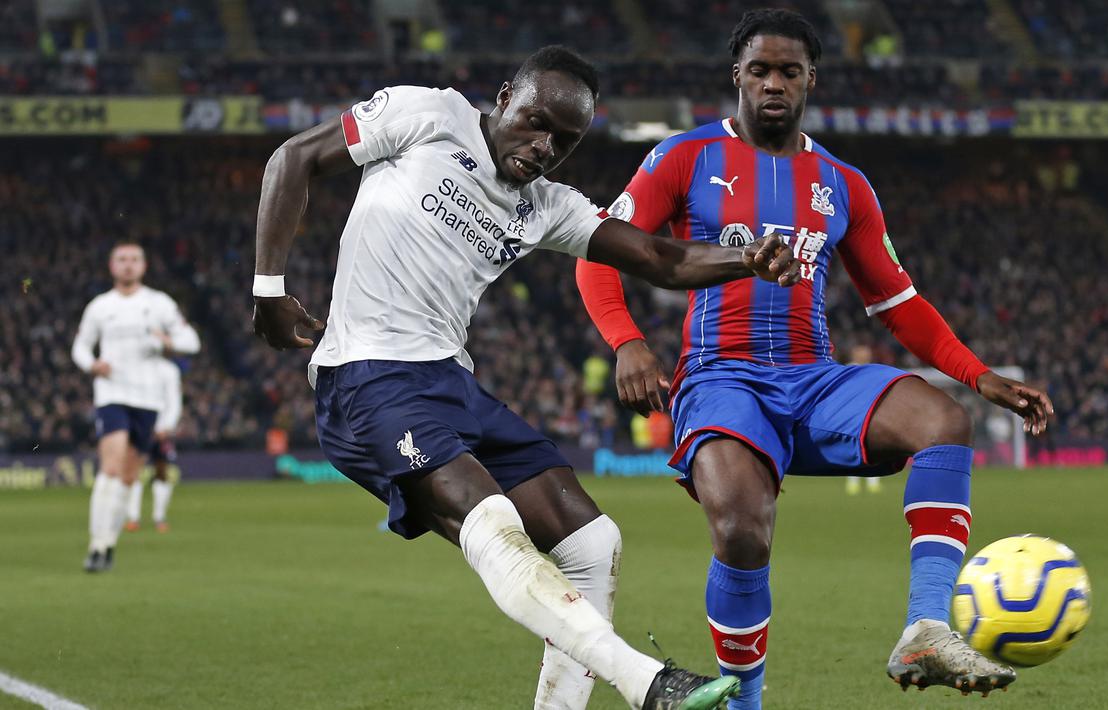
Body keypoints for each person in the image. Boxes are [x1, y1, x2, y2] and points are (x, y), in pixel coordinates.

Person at [251, 46, 800, 710]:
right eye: (536, 122)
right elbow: (294, 157)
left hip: (449, 382)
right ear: (505, 96)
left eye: (564, 142)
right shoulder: (429, 113)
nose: (544, 147)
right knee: (493, 525)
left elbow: (660, 257)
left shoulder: (546, 207)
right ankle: (644, 682)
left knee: (593, 544)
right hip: (368, 374)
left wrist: (747, 256)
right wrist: (268, 289)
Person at [574, 10, 1053, 707]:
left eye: (789, 72)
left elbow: (897, 302)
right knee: (741, 529)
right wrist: (626, 340)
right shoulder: (684, 156)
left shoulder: (844, 184)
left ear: (809, 81)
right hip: (720, 376)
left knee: (941, 419)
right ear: (737, 75)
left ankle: (924, 624)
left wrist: (978, 375)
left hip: (814, 377)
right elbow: (596, 251)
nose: (774, 83)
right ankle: (745, 701)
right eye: (761, 69)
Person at [72, 242, 200, 572]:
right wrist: (92, 365)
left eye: (134, 260)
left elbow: (192, 342)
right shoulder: (100, 307)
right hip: (113, 393)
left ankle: (108, 545)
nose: (128, 265)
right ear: (111, 266)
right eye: (121, 260)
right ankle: (94, 545)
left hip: (148, 398)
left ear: (143, 266)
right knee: (111, 468)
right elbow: (81, 347)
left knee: (128, 477)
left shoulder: (159, 304)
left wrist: (167, 341)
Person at [125, 357, 185, 533]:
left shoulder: (167, 370)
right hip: (139, 428)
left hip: (161, 430)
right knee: (133, 471)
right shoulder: (134, 369)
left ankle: (160, 518)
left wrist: (167, 426)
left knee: (161, 471)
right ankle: (133, 518)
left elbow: (174, 401)